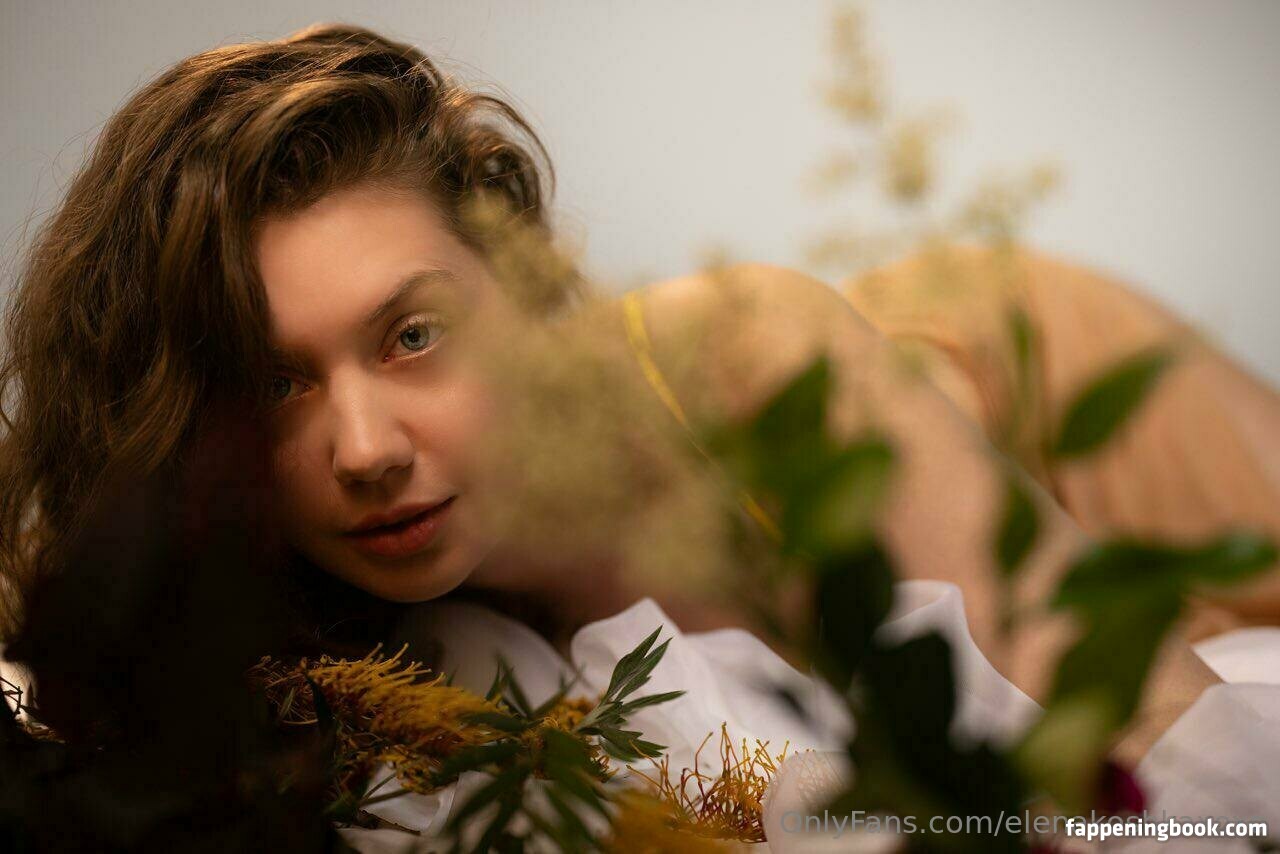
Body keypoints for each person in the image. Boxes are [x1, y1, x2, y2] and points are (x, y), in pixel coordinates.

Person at [0, 23, 1273, 776]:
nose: (366, 449)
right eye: (275, 382)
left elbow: (1161, 745)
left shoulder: (751, 359)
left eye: (413, 335)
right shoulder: (275, 593)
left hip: (1024, 375)